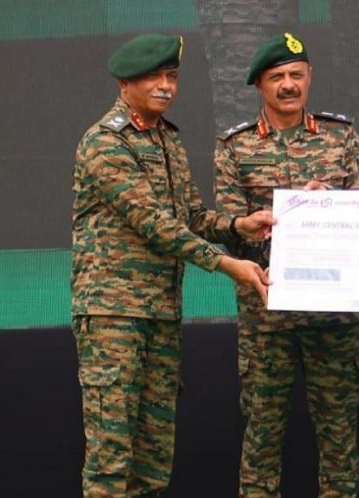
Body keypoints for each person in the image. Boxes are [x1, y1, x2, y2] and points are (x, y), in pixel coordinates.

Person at [72, 33, 275, 497]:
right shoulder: (105, 143)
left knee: (153, 456)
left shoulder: (167, 138)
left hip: (161, 314)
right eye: (153, 77)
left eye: (172, 76)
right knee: (110, 457)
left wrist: (239, 225)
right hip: (113, 315)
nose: (165, 86)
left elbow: (191, 217)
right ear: (125, 83)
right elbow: (154, 223)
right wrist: (227, 264)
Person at [213, 32, 359, 498]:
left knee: (339, 439)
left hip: (332, 315)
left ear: (310, 77)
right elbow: (225, 228)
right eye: (277, 77)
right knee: (261, 439)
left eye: (296, 75)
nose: (288, 85)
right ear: (259, 85)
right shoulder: (235, 146)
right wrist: (257, 223)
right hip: (267, 318)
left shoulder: (341, 136)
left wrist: (335, 203)